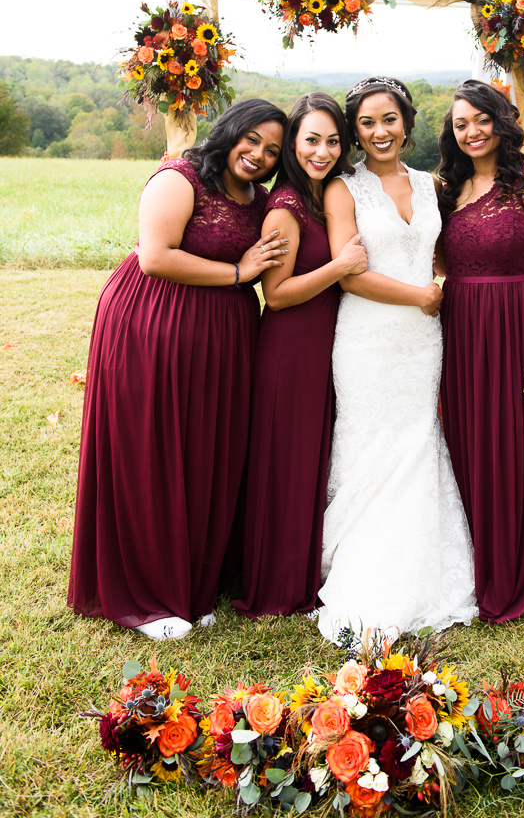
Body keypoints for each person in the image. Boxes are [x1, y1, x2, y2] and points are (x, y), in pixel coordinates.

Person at [68, 98, 288, 639]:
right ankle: (147, 593)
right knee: (152, 449)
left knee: (205, 452)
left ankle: (192, 578)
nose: (258, 155)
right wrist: (239, 271)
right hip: (152, 324)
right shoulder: (181, 176)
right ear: (230, 131)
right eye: (252, 139)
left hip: (223, 336)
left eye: (272, 150)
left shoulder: (260, 199)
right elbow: (156, 256)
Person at [316, 76, 477, 643]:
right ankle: (362, 564)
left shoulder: (432, 185)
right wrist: (421, 296)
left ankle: (424, 564)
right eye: (366, 123)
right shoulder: (343, 189)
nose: (379, 132)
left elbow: (443, 250)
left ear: (407, 122)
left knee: (417, 439)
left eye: (389, 119)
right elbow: (350, 272)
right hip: (368, 338)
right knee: (374, 443)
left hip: (423, 342)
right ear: (354, 132)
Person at [233, 93, 368, 618]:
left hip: (324, 344)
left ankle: (306, 566)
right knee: (287, 462)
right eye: (312, 139)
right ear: (292, 143)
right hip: (290, 347)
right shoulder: (285, 205)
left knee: (312, 457)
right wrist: (340, 267)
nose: (324, 150)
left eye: (333, 140)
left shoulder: (319, 195)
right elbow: (279, 293)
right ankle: (279, 583)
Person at [437, 80, 524, 623]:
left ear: (501, 120)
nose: (471, 132)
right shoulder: (448, 189)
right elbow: (441, 262)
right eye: (460, 124)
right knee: (466, 439)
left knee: (510, 440)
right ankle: (471, 552)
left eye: (479, 120)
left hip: (515, 326)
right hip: (460, 327)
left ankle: (514, 560)